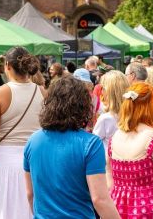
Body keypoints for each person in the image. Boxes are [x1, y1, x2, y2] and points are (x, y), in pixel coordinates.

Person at [24, 76, 120, 218]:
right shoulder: (91, 144)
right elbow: (99, 199)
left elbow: (30, 194)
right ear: (83, 106)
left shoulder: (32, 141)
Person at [0, 46, 46, 219]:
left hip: (5, 163)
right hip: (35, 159)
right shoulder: (43, 92)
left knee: (2, 210)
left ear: (7, 65)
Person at [107, 82, 153, 218]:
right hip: (149, 209)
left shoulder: (115, 137)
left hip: (117, 209)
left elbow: (109, 182)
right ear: (150, 107)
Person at [93, 70, 129, 151]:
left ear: (109, 92)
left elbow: (94, 143)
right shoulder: (133, 114)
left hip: (109, 160)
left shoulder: (105, 119)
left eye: (103, 88)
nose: (101, 91)